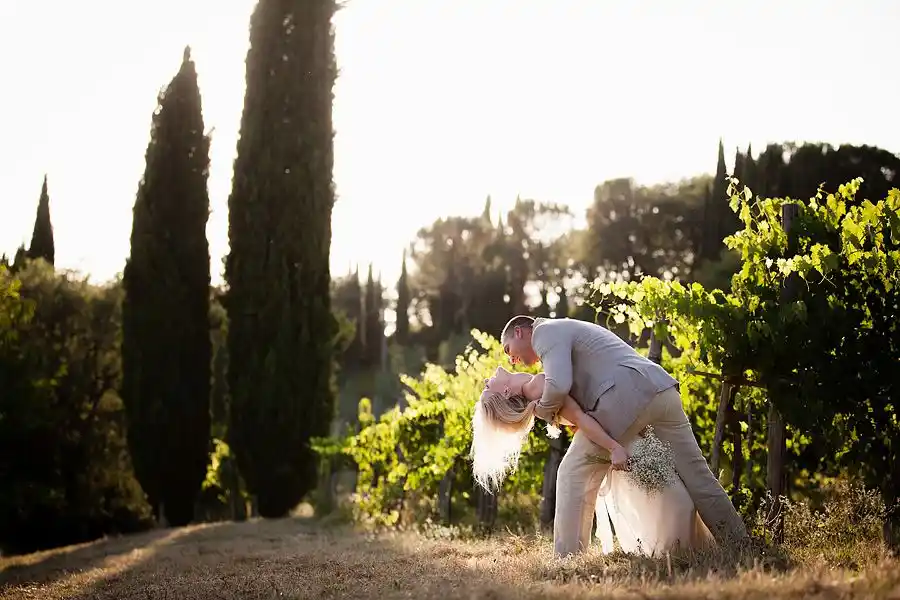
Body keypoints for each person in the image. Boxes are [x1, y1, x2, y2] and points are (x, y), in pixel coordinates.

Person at [498, 315, 747, 557]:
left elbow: (558, 385)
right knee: (698, 476)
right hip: (660, 390)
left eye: (509, 350)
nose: (512, 360)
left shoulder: (544, 332)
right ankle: (740, 545)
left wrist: (540, 411)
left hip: (625, 399)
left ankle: (568, 557)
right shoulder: (564, 329)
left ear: (519, 332)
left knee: (573, 471)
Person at [472, 366, 715, 555]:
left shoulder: (537, 392)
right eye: (488, 387)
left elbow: (580, 416)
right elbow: (581, 418)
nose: (485, 380)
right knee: (667, 489)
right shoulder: (538, 386)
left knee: (665, 488)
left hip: (619, 428)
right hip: (615, 435)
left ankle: (682, 544)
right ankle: (685, 545)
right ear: (505, 392)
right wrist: (614, 447)